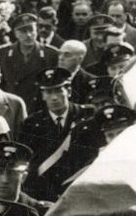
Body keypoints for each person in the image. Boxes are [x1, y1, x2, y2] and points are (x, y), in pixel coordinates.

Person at [18, 68, 96, 202]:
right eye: (49, 92)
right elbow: (27, 161)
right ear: (43, 95)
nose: (54, 97)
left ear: (69, 91)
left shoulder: (88, 115)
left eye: (59, 91)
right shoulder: (31, 124)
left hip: (80, 189)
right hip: (46, 194)